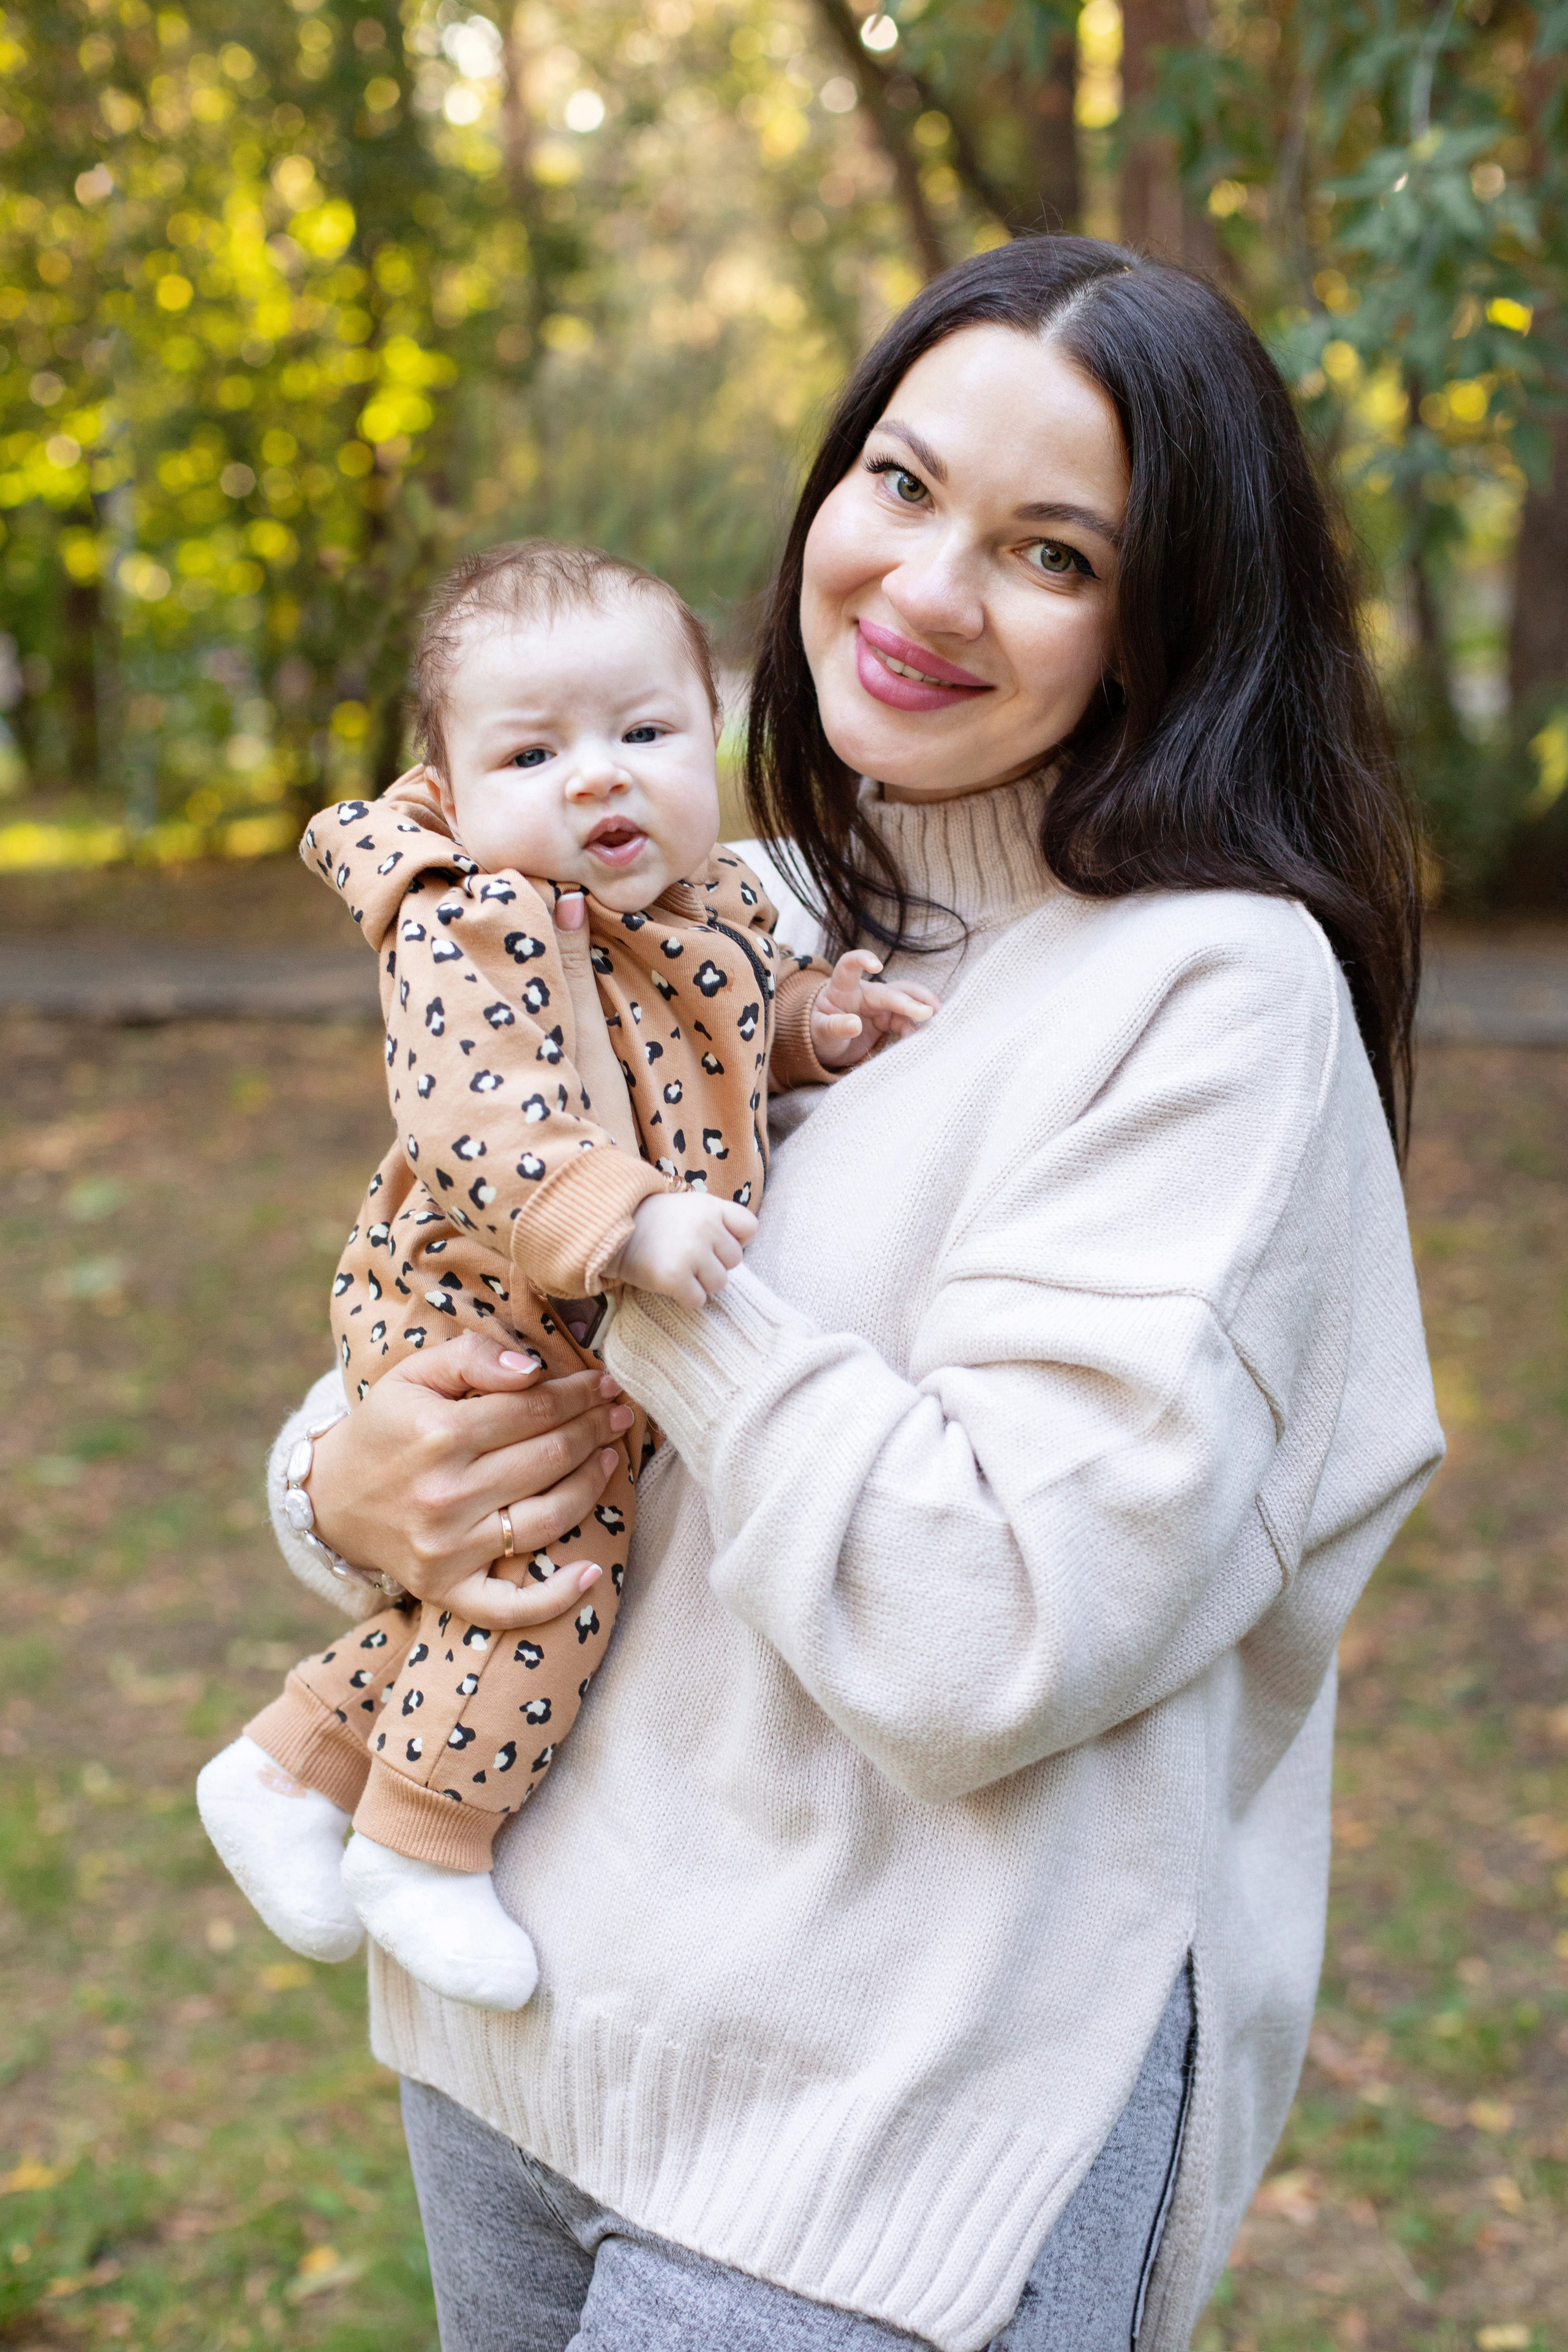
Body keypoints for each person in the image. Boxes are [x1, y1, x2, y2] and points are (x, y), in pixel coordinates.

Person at [257, 237, 1444, 2352]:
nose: (920, 588)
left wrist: (625, 1253)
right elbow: (441, 1337)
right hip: (527, 2046)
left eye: (1050, 551)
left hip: (883, 2151)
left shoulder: (1212, 1001)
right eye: (900, 482)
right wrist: (337, 1483)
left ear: (1171, 625)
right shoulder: (735, 919)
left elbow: (980, 1629)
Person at [198, 540, 937, 2013]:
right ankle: (423, 1844)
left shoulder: (706, 905)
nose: (600, 779)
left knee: (489, 1563)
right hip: (480, 1287)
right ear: (452, 794)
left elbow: (709, 1030)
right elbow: (483, 1120)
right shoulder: (474, 927)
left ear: (708, 734)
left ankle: (290, 1762)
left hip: (569, 1290)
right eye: (535, 753)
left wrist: (809, 1032)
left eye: (645, 733)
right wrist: (632, 1221)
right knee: (548, 1561)